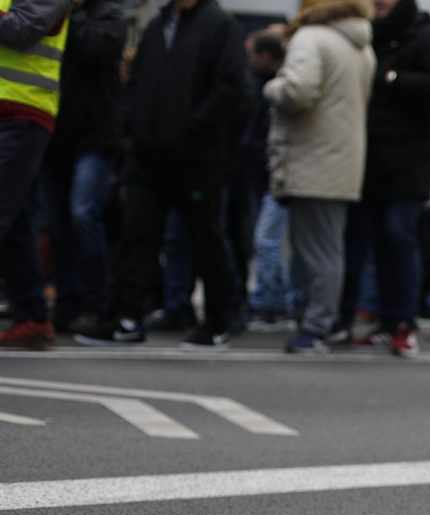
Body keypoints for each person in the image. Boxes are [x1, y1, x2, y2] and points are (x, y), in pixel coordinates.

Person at [74, 0, 249, 349]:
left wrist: (195, 131)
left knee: (205, 237)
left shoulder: (219, 25)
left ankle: (219, 320)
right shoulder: (158, 26)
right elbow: (138, 84)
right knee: (136, 236)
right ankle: (125, 317)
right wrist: (133, 132)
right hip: (148, 155)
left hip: (198, 157)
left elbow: (232, 90)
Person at [335, 0, 430, 358]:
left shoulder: (426, 38)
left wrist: (392, 79)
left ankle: (403, 323)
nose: (379, 3)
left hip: (408, 162)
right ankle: (357, 319)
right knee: (358, 242)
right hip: (366, 159)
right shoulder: (367, 37)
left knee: (398, 239)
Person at [264, 0, 376, 353]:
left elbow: (298, 91)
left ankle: (314, 327)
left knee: (310, 251)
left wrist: (271, 87)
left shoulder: (311, 38)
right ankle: (318, 323)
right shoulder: (361, 46)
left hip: (310, 157)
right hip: (341, 160)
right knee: (327, 250)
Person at [28, 0, 124, 341]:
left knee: (83, 214)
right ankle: (68, 305)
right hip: (57, 134)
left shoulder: (109, 15)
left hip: (94, 137)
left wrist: (65, 17)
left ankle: (97, 304)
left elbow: (97, 49)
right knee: (58, 225)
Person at [0, 0, 72, 349]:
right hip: (12, 113)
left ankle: (32, 317)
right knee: (17, 222)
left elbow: (21, 30)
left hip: (23, 112)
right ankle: (31, 319)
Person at [245, 28, 292, 329]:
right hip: (273, 169)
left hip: (277, 170)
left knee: (267, 239)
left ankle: (270, 301)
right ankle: (274, 299)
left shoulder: (275, 89)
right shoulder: (271, 85)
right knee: (271, 240)